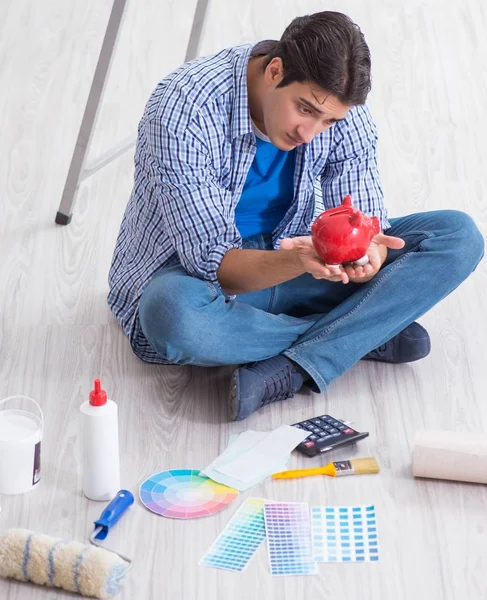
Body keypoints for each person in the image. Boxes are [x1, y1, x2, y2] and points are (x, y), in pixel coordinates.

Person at [108, 11, 484, 421]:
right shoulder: (184, 109)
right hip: (202, 279)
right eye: (304, 109)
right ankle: (354, 334)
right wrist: (299, 261)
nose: (311, 131)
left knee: (456, 236)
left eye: (328, 121)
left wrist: (370, 250)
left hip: (303, 263)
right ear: (274, 71)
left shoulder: (334, 103)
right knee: (171, 316)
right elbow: (215, 267)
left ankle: (297, 360)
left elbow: (363, 211)